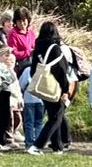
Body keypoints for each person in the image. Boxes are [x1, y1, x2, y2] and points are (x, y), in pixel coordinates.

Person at [27, 21, 72, 154]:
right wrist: (65, 90)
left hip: (42, 87)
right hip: (55, 87)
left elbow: (33, 70)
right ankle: (37, 146)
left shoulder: (37, 49)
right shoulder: (55, 49)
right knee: (56, 117)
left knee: (54, 114)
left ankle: (57, 146)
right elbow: (61, 71)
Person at [8, 7, 37, 72]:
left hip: (32, 63)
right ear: (15, 22)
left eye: (24, 21)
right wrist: (28, 52)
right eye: (19, 21)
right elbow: (13, 53)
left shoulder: (31, 33)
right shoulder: (13, 34)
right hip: (20, 67)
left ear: (28, 20)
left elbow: (35, 47)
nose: (22, 23)